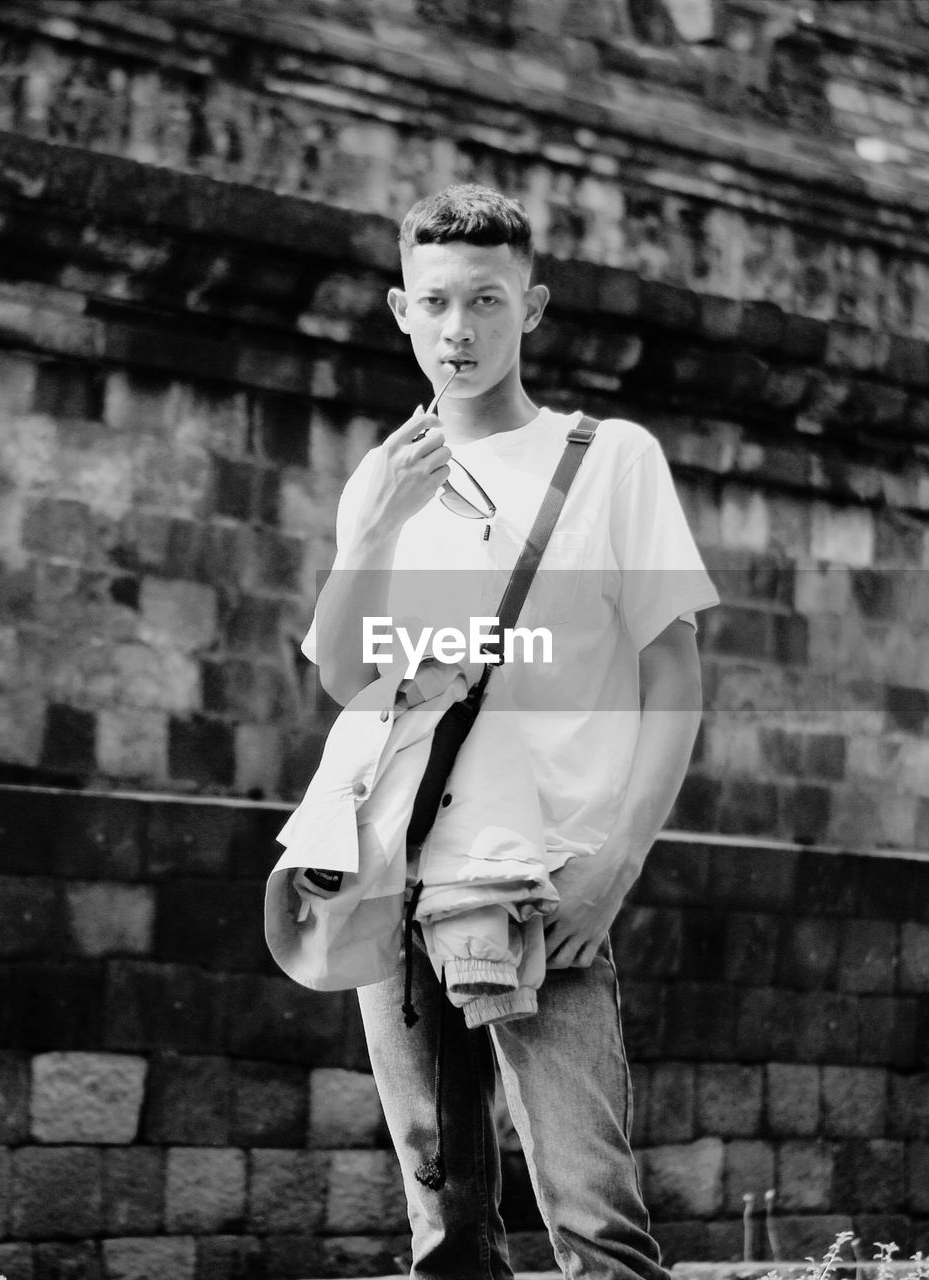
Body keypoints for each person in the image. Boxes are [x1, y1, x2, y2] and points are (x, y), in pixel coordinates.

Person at [301, 183, 719, 1280]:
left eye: (485, 300)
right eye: (435, 302)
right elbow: (345, 675)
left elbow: (672, 669)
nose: (458, 330)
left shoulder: (608, 458)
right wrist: (377, 524)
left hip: (545, 882)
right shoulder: (381, 477)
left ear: (529, 308)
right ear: (400, 308)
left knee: (595, 1221)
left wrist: (616, 864)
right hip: (392, 876)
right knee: (444, 1234)